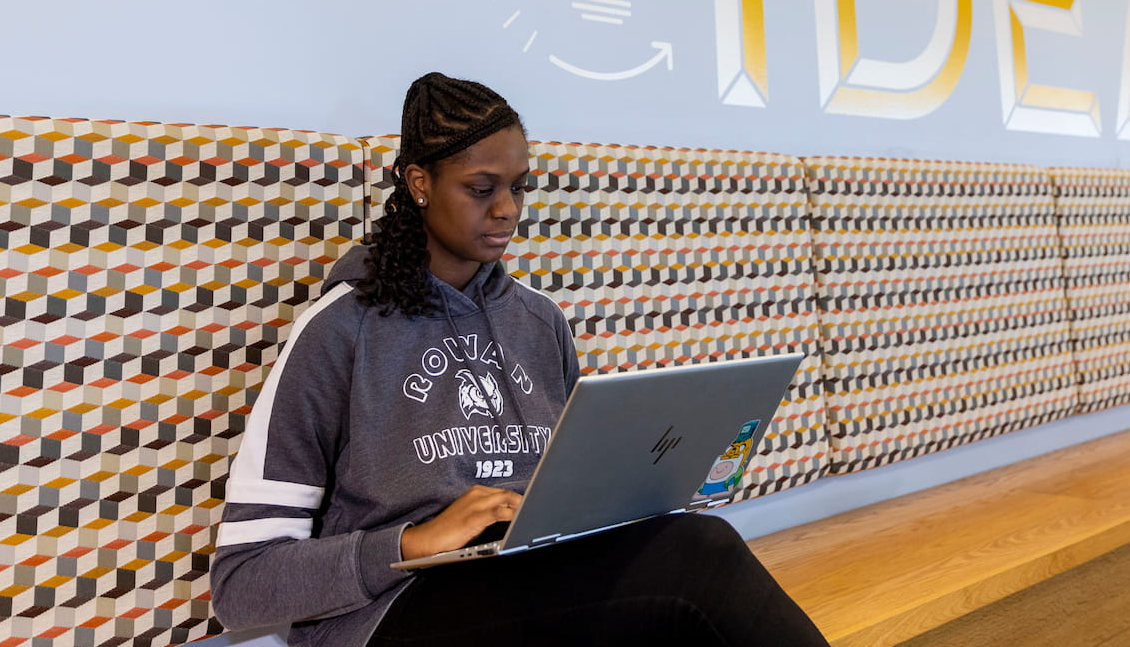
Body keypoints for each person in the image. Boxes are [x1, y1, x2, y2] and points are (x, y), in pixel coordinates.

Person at [210, 72, 830, 647]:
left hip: (525, 583)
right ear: (419, 183)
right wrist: (414, 542)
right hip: (391, 613)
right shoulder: (340, 331)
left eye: (518, 186)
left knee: (683, 553)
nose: (507, 209)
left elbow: (574, 491)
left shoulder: (537, 320)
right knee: (701, 557)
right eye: (482, 189)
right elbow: (242, 584)